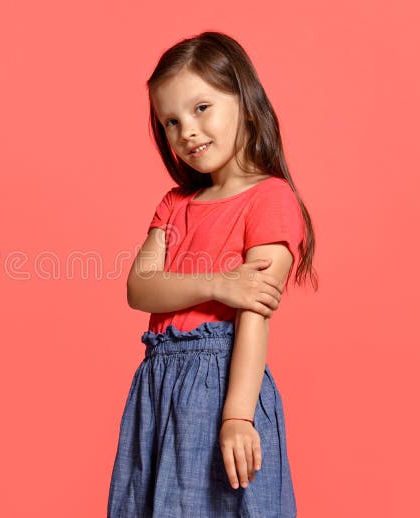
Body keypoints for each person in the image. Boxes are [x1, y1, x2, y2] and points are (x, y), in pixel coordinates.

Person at [107, 31, 319, 517]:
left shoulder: (271, 200)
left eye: (201, 108)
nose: (187, 132)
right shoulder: (174, 204)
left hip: (221, 385)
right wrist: (220, 282)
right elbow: (140, 288)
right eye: (171, 122)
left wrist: (238, 415)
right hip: (157, 385)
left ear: (244, 102)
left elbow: (253, 318)